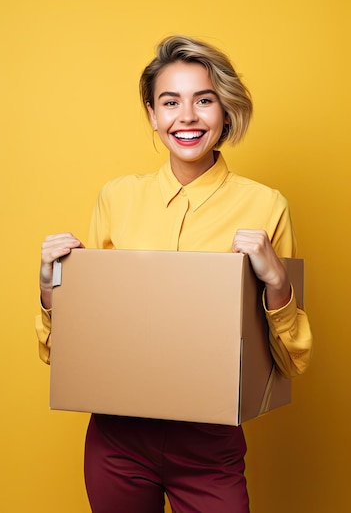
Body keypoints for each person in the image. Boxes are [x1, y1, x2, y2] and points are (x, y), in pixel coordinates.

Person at [36, 35, 312, 513]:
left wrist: (278, 284)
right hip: (117, 439)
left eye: (204, 100)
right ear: (152, 114)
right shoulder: (116, 198)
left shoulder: (266, 206)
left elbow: (291, 364)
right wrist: (50, 287)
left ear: (225, 110)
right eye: (170, 102)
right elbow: (70, 349)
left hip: (210, 446)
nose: (186, 117)